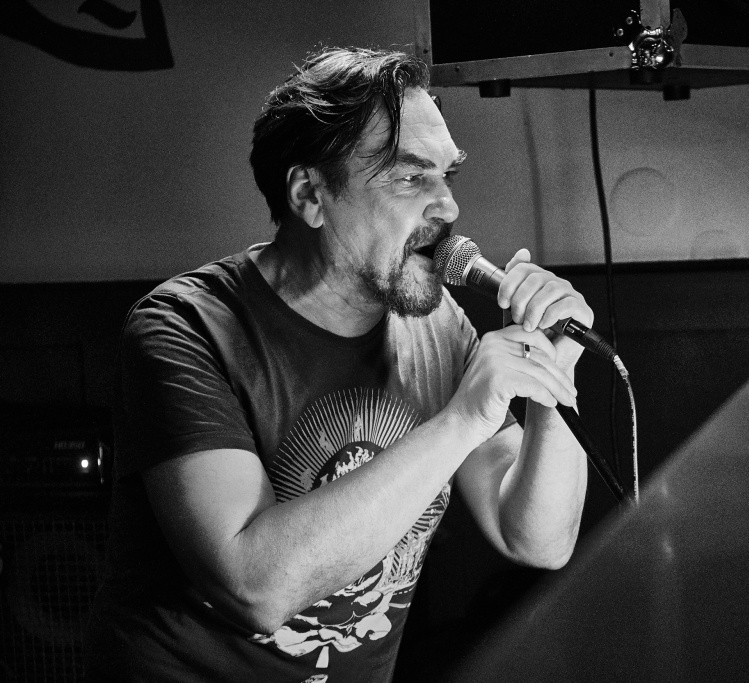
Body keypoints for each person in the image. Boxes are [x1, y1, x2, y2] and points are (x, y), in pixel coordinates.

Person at [85, 46, 590, 682]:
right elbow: (254, 588)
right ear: (311, 195)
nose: (448, 208)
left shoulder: (435, 324)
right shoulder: (184, 327)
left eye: (447, 176)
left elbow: (538, 540)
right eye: (409, 178)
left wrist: (552, 383)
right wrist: (463, 419)